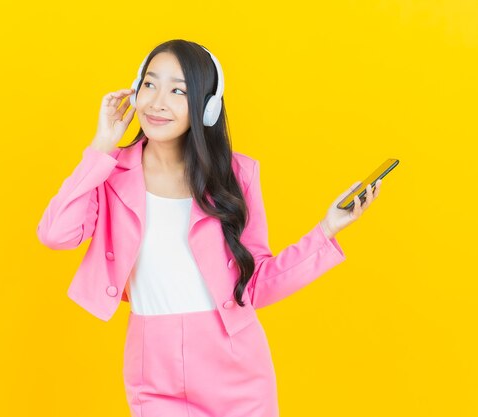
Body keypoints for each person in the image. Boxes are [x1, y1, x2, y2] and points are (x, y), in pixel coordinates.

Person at [37, 39, 381, 417]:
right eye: (149, 85)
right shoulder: (109, 173)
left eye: (178, 90)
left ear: (207, 107)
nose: (157, 102)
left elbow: (255, 284)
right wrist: (101, 146)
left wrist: (326, 230)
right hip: (153, 369)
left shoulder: (236, 176)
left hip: (235, 368)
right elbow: (56, 233)